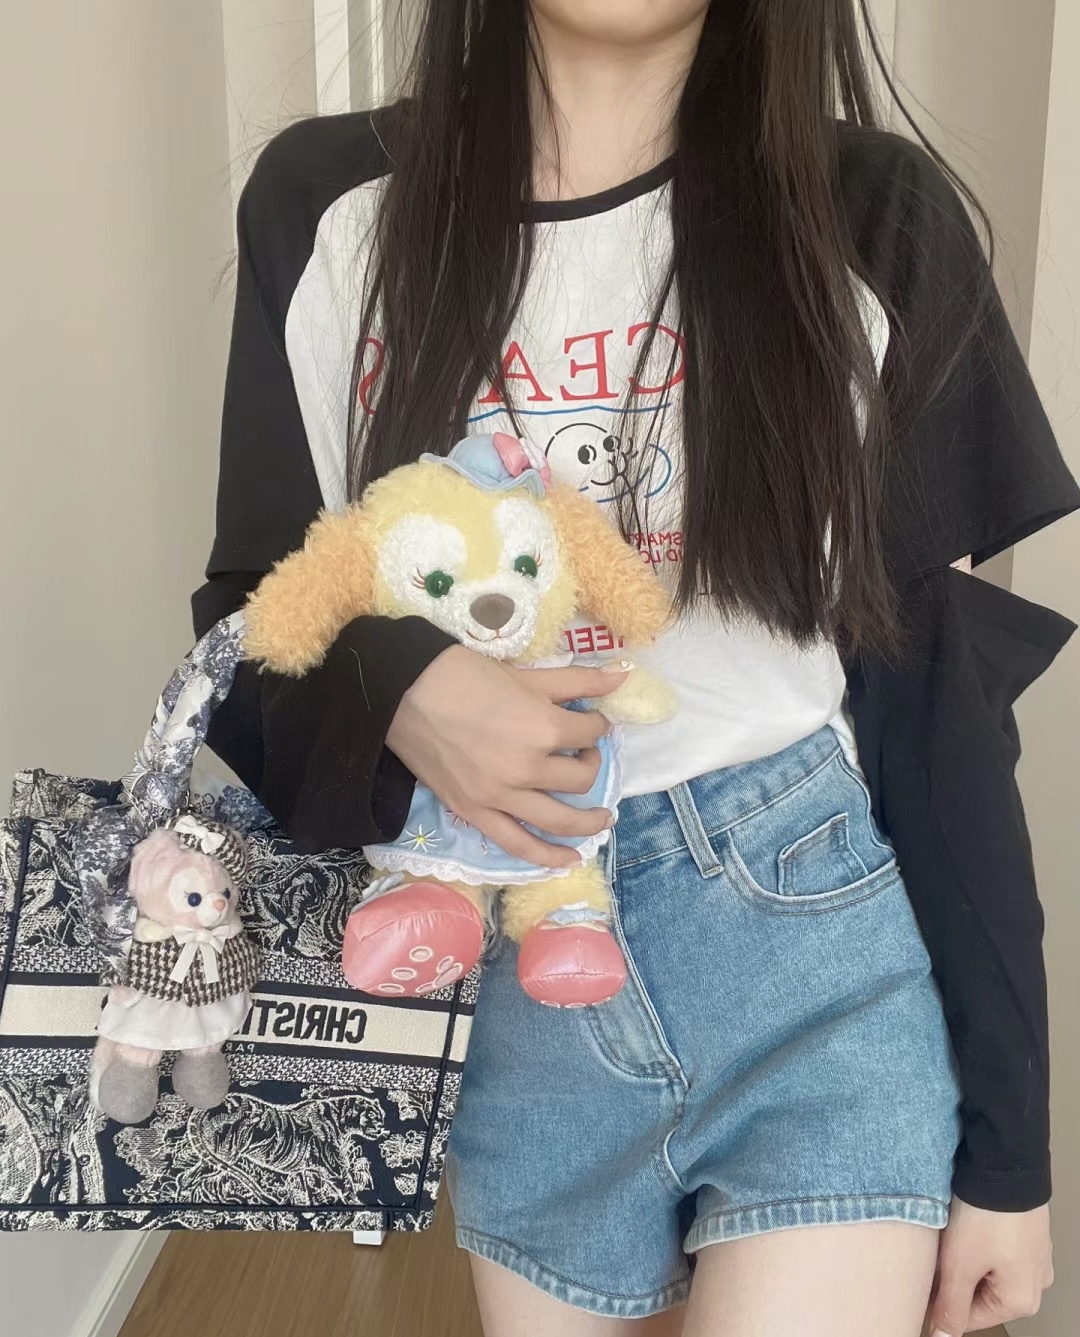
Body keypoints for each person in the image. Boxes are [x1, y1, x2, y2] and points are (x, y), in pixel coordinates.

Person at [192, 2, 1079, 1333]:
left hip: (806, 938)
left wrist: (1010, 1154)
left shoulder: (872, 220)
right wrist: (408, 693)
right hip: (511, 966)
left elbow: (939, 712)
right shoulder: (326, 205)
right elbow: (250, 618)